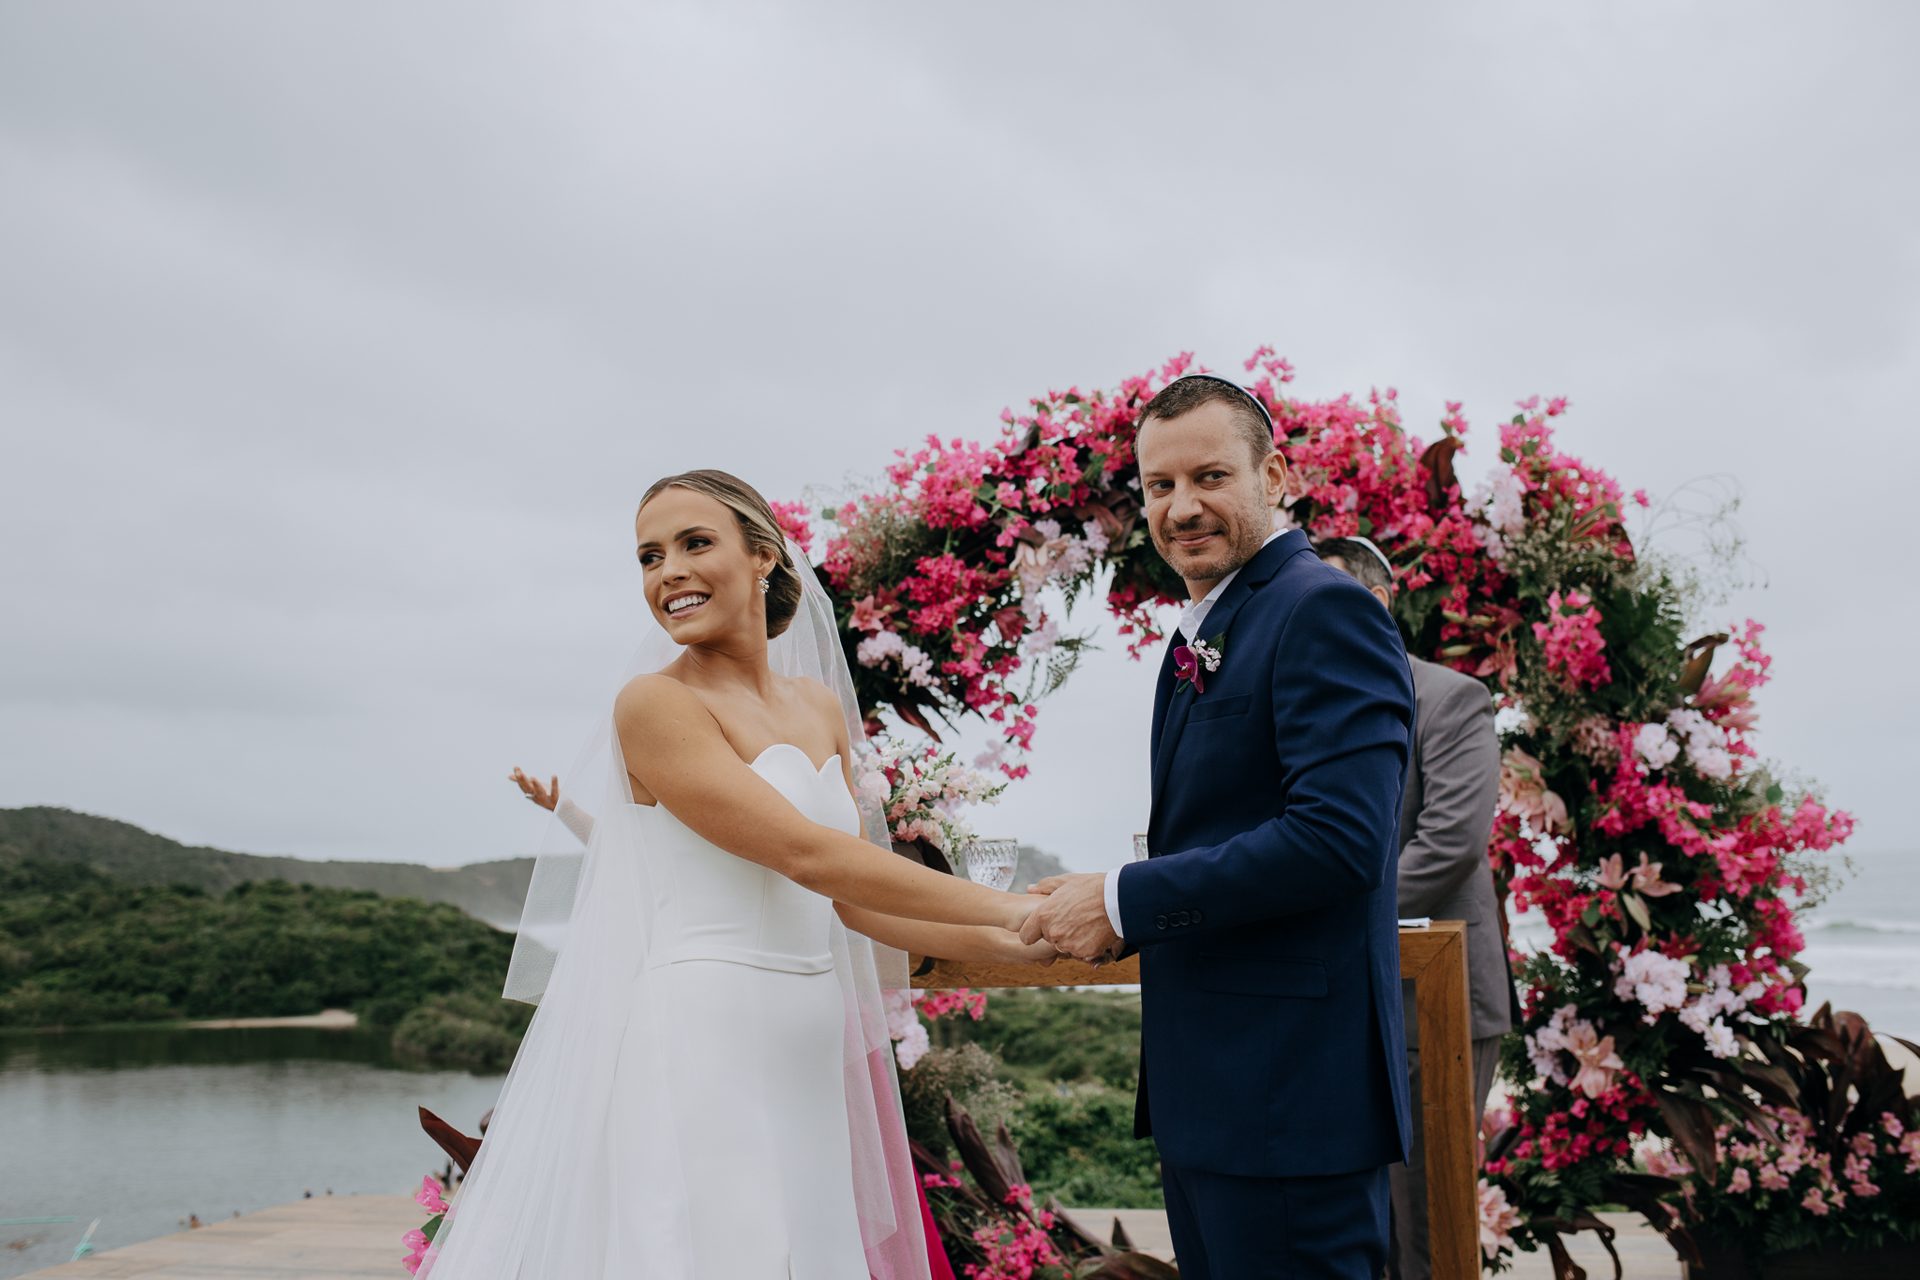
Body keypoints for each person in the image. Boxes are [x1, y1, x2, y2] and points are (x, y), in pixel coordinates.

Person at [428, 470, 1053, 1280]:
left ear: (763, 557)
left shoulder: (821, 708)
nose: (668, 573)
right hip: (701, 1036)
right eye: (650, 557)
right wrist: (1008, 906)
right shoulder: (653, 706)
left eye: (695, 543)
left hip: (807, 1038)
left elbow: (853, 903)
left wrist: (1031, 942)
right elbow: (806, 852)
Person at [1022, 376, 1415, 1280]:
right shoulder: (1208, 625)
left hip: (1289, 1101)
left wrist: (1123, 901)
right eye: (1158, 487)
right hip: (1219, 1096)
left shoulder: (1321, 607)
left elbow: (1341, 840)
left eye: (1208, 477)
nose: (1180, 507)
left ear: (1274, 472)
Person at [1317, 536, 1513, 1280]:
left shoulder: (1451, 698)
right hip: (1342, 998)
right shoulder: (1313, 708)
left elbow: (1449, 845)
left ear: (1380, 600)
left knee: (1426, 1221)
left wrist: (1321, 917)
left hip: (1432, 994)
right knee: (1363, 1223)